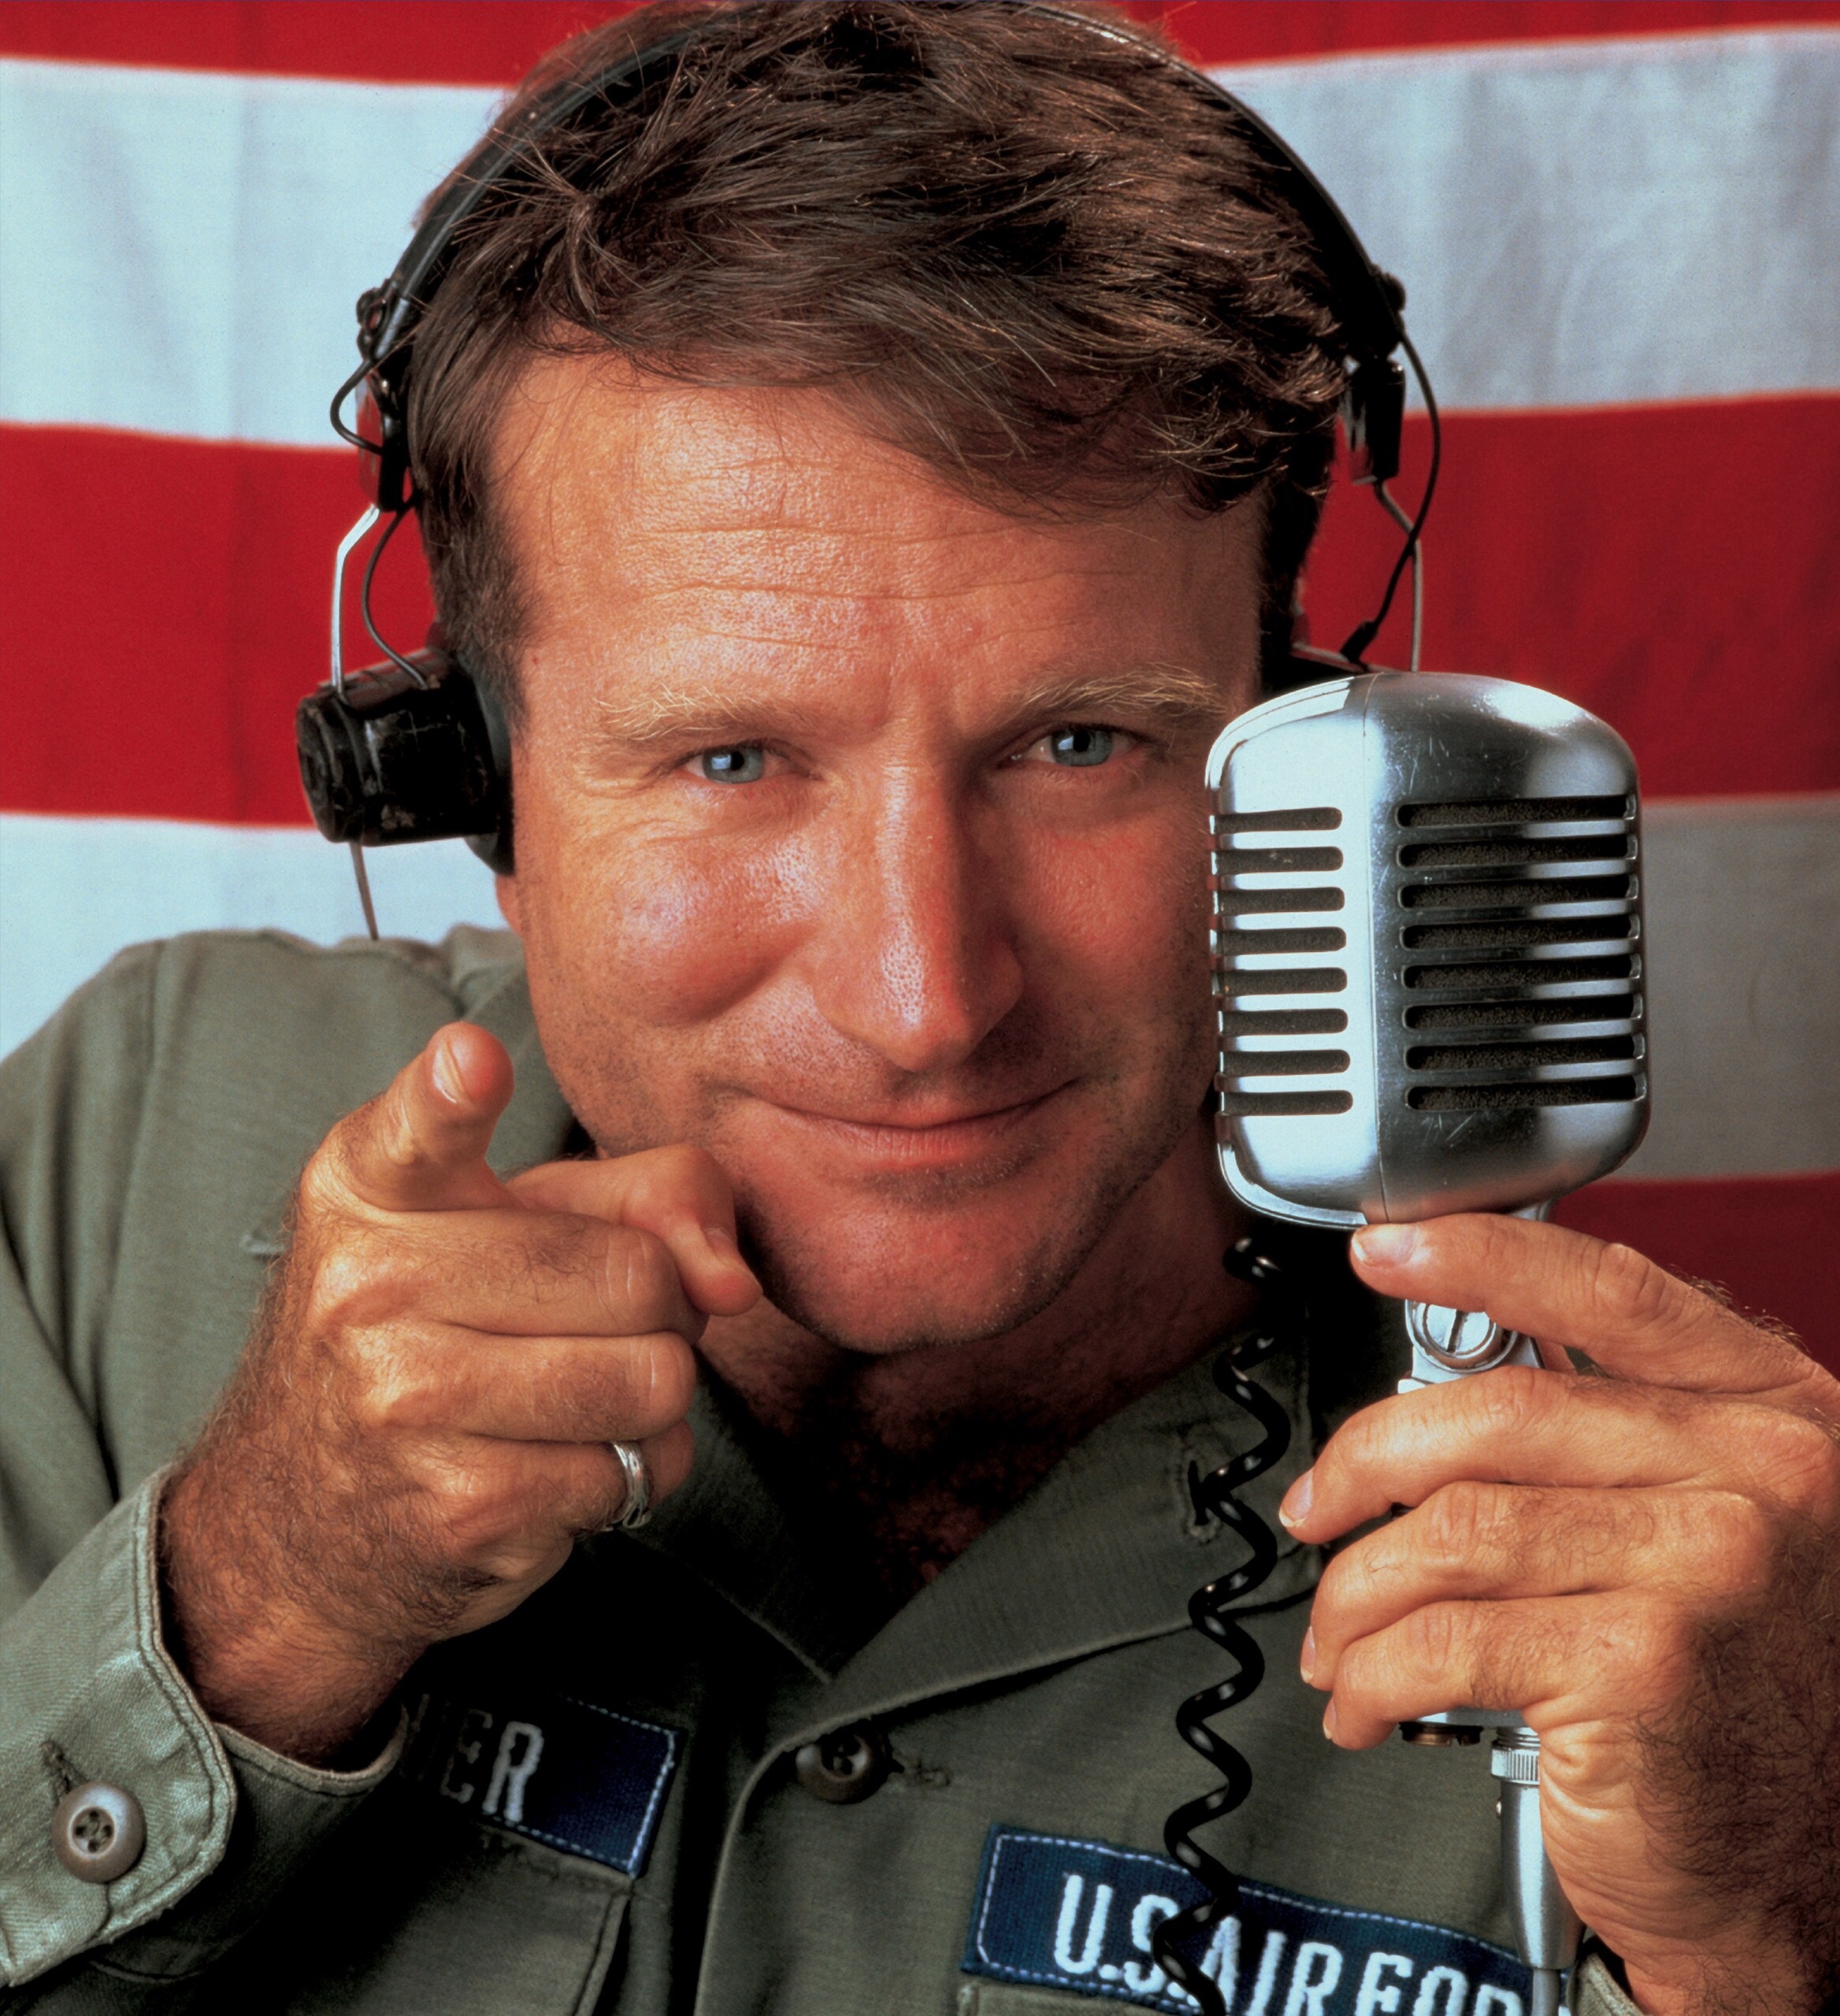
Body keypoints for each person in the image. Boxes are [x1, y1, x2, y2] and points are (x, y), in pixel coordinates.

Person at [2, 6, 1835, 2012]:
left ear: (1307, 749)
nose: (923, 1000)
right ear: (468, 778)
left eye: (1077, 744)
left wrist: (1772, 1929)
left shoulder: (1692, 1611)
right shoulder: (126, 1151)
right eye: (732, 759)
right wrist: (253, 1597)